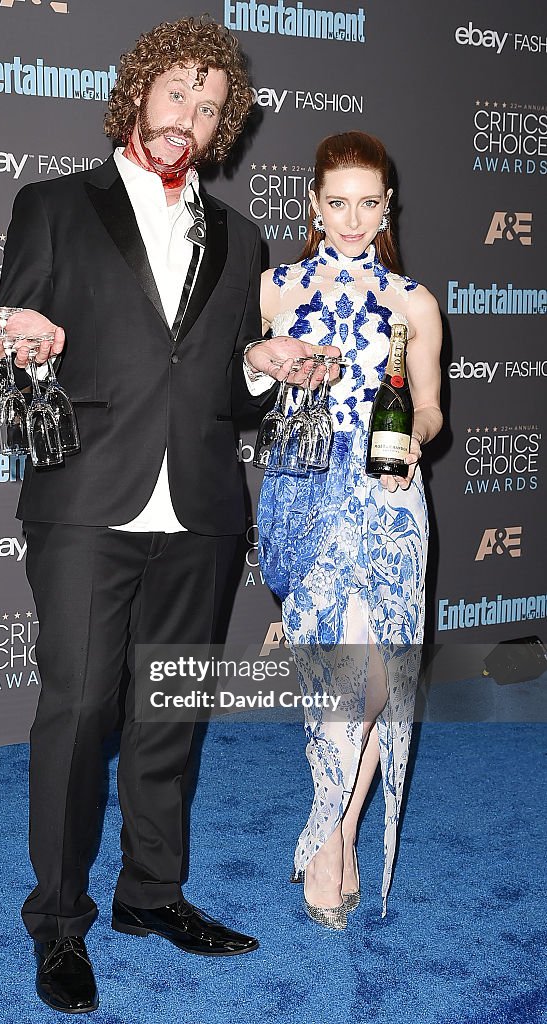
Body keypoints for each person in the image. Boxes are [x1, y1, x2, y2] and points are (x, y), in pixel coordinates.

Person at [0, 16, 333, 1014]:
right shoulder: (53, 204)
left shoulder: (244, 236)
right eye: (179, 92)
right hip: (89, 494)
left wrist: (264, 370)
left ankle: (151, 895)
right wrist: (24, 339)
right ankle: (57, 921)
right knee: (80, 706)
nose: (193, 115)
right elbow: (15, 338)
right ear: (139, 93)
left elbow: (221, 385)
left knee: (170, 711)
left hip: (203, 505)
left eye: (212, 105)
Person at [252, 131, 443, 930]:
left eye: (369, 203)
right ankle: (336, 838)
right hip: (310, 503)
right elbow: (245, 382)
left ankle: (330, 833)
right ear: (313, 205)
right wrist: (271, 363)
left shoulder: (413, 300)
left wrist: (412, 445)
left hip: (390, 505)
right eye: (338, 203)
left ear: (387, 205)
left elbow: (429, 408)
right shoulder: (273, 288)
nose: (353, 218)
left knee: (371, 687)